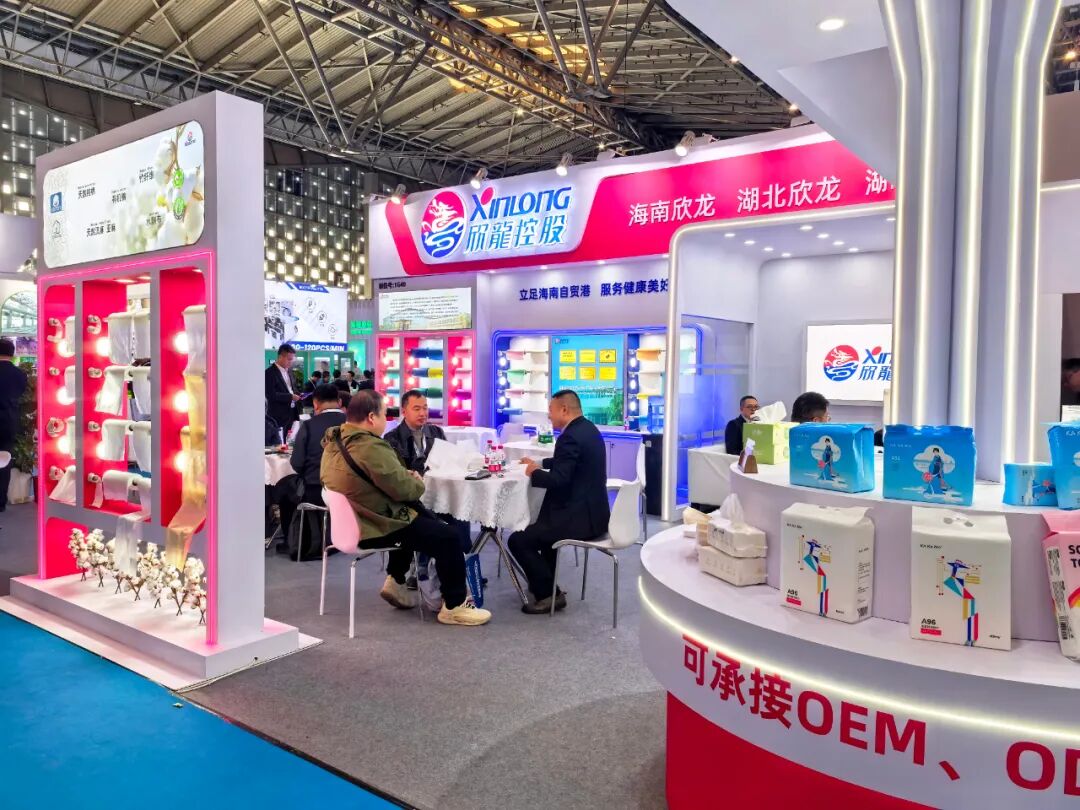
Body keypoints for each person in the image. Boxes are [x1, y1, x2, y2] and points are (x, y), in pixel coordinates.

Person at [321, 389, 491, 626]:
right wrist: (416, 481)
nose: (386, 420)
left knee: (420, 519)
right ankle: (454, 605)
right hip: (376, 524)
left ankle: (397, 580)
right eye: (384, 414)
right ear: (371, 417)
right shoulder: (371, 447)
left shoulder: (333, 442)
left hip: (353, 523)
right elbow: (406, 490)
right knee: (447, 535)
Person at [509, 390, 610, 614]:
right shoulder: (589, 430)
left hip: (578, 520)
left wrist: (533, 472)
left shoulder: (569, 437)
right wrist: (539, 463)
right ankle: (544, 584)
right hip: (596, 516)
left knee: (518, 540)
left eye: (551, 410)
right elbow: (567, 462)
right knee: (542, 531)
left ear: (564, 410)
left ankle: (548, 595)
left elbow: (558, 480)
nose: (549, 415)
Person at [385, 389, 471, 551]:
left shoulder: (436, 432)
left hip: (440, 492)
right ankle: (437, 558)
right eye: (416, 409)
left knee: (461, 510)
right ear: (404, 411)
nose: (422, 413)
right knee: (437, 526)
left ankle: (464, 556)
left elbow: (448, 462)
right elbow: (398, 476)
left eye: (425, 408)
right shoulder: (392, 438)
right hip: (413, 497)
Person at [272, 384, 346, 560]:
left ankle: (293, 541)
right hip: (347, 489)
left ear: (315, 403)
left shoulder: (309, 426)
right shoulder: (352, 424)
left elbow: (297, 463)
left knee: (284, 489)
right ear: (339, 401)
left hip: (316, 490)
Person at [0, 338, 27, 513]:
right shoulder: (20, 375)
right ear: (12, 353)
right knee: (4, 461)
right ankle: (1, 501)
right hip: (9, 422)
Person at [265, 344, 300, 437]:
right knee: (279, 441)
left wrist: (298, 394)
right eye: (289, 359)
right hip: (278, 415)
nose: (291, 362)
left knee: (289, 440)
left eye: (292, 359)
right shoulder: (269, 373)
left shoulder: (289, 371)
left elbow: (291, 388)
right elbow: (271, 395)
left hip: (292, 413)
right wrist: (290, 397)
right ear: (280, 357)